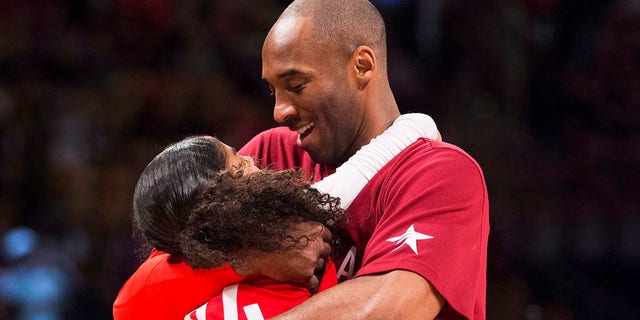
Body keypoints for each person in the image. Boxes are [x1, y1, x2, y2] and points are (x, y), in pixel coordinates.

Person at [239, 0, 490, 319]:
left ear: (362, 66)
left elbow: (391, 309)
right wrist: (258, 256)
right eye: (274, 91)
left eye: (296, 86)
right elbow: (171, 245)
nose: (279, 111)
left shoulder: (440, 173)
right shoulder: (272, 156)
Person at [113, 113, 439, 320]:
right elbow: (419, 125)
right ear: (228, 202)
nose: (256, 161)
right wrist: (260, 253)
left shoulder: (163, 282)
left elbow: (126, 307)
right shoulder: (301, 225)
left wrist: (249, 257)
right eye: (240, 162)